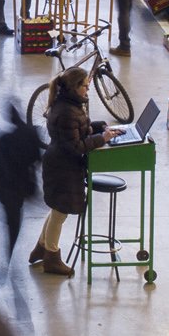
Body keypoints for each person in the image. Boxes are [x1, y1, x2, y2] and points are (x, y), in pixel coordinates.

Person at [34, 68, 123, 276]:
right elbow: (75, 146)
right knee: (60, 213)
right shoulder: (67, 111)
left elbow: (77, 130)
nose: (88, 89)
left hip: (60, 165)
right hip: (63, 168)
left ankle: (41, 247)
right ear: (75, 87)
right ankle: (51, 257)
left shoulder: (67, 104)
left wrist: (99, 128)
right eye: (85, 86)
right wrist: (102, 139)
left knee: (57, 210)